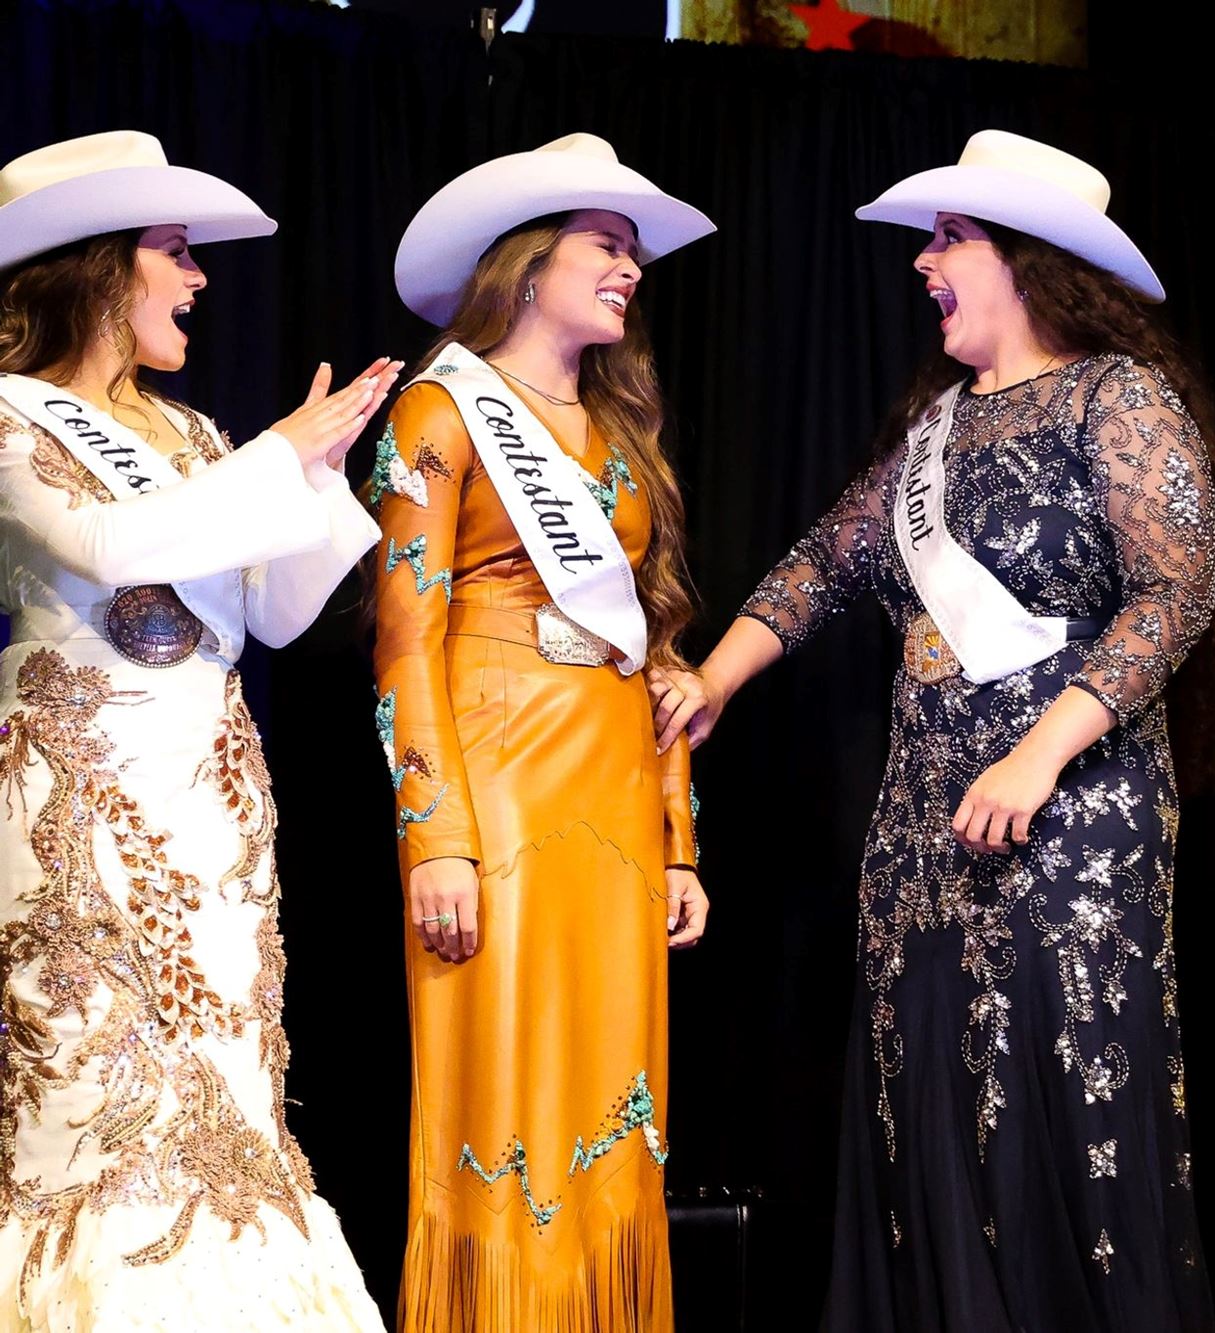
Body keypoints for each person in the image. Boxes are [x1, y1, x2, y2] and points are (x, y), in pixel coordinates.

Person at [657, 131, 1215, 1331]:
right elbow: (825, 561)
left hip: (1072, 807)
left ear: (1031, 259)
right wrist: (715, 678)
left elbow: (1175, 597)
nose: (924, 262)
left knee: (1056, 1094)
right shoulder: (936, 431)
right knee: (933, 1107)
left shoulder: (1117, 395)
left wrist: (1036, 752)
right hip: (922, 815)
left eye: (949, 239)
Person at [0, 129, 392, 1329]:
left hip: (211, 807)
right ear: (101, 269)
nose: (199, 278)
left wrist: (319, 478)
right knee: (99, 1099)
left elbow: (271, 613)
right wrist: (282, 455)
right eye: (174, 253)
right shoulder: (11, 414)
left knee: (226, 1100)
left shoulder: (201, 436)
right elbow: (109, 549)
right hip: (81, 798)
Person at [373, 133, 713, 1331]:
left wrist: (677, 837)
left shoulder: (622, 436)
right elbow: (405, 644)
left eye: (632, 254)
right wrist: (438, 840)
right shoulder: (439, 407)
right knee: (506, 1072)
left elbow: (653, 648)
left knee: (612, 1087)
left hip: (615, 791)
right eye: (605, 247)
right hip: (496, 773)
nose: (629, 269)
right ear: (528, 266)